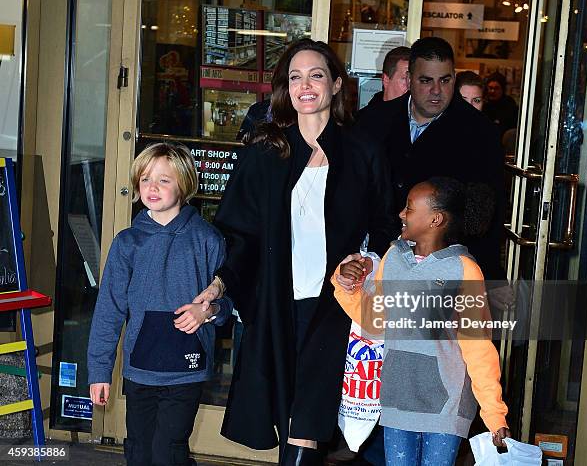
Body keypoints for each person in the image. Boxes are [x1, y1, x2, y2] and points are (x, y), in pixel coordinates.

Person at [192, 38, 397, 465]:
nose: (306, 85)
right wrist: (220, 282)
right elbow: (239, 231)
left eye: (316, 75)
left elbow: (383, 226)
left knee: (306, 420)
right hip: (275, 304)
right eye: (295, 77)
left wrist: (364, 261)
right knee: (289, 416)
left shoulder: (364, 151)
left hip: (334, 306)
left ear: (337, 84)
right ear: (286, 87)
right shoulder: (266, 150)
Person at [333, 177, 511, 465]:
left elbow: (478, 348)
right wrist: (347, 285)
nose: (401, 214)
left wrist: (493, 412)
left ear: (435, 219)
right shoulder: (393, 258)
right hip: (396, 396)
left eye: (409, 209)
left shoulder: (464, 271)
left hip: (446, 405)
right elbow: (375, 321)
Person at [87, 143, 232, 466]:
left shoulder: (207, 240)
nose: (152, 187)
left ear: (184, 183)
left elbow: (229, 306)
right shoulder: (127, 243)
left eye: (164, 180)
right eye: (145, 179)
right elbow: (109, 311)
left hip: (186, 371)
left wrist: (209, 311)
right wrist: (100, 371)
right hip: (141, 369)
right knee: (139, 452)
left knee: (168, 451)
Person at [360, 36, 506, 281]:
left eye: (445, 80)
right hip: (375, 265)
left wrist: (490, 279)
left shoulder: (481, 133)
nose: (436, 91)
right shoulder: (372, 121)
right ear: (409, 79)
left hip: (442, 277)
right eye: (426, 80)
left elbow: (488, 216)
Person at [483, 71, 519, 138]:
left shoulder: (510, 106)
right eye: (490, 88)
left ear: (503, 89)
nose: (492, 91)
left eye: (496, 88)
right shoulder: (483, 104)